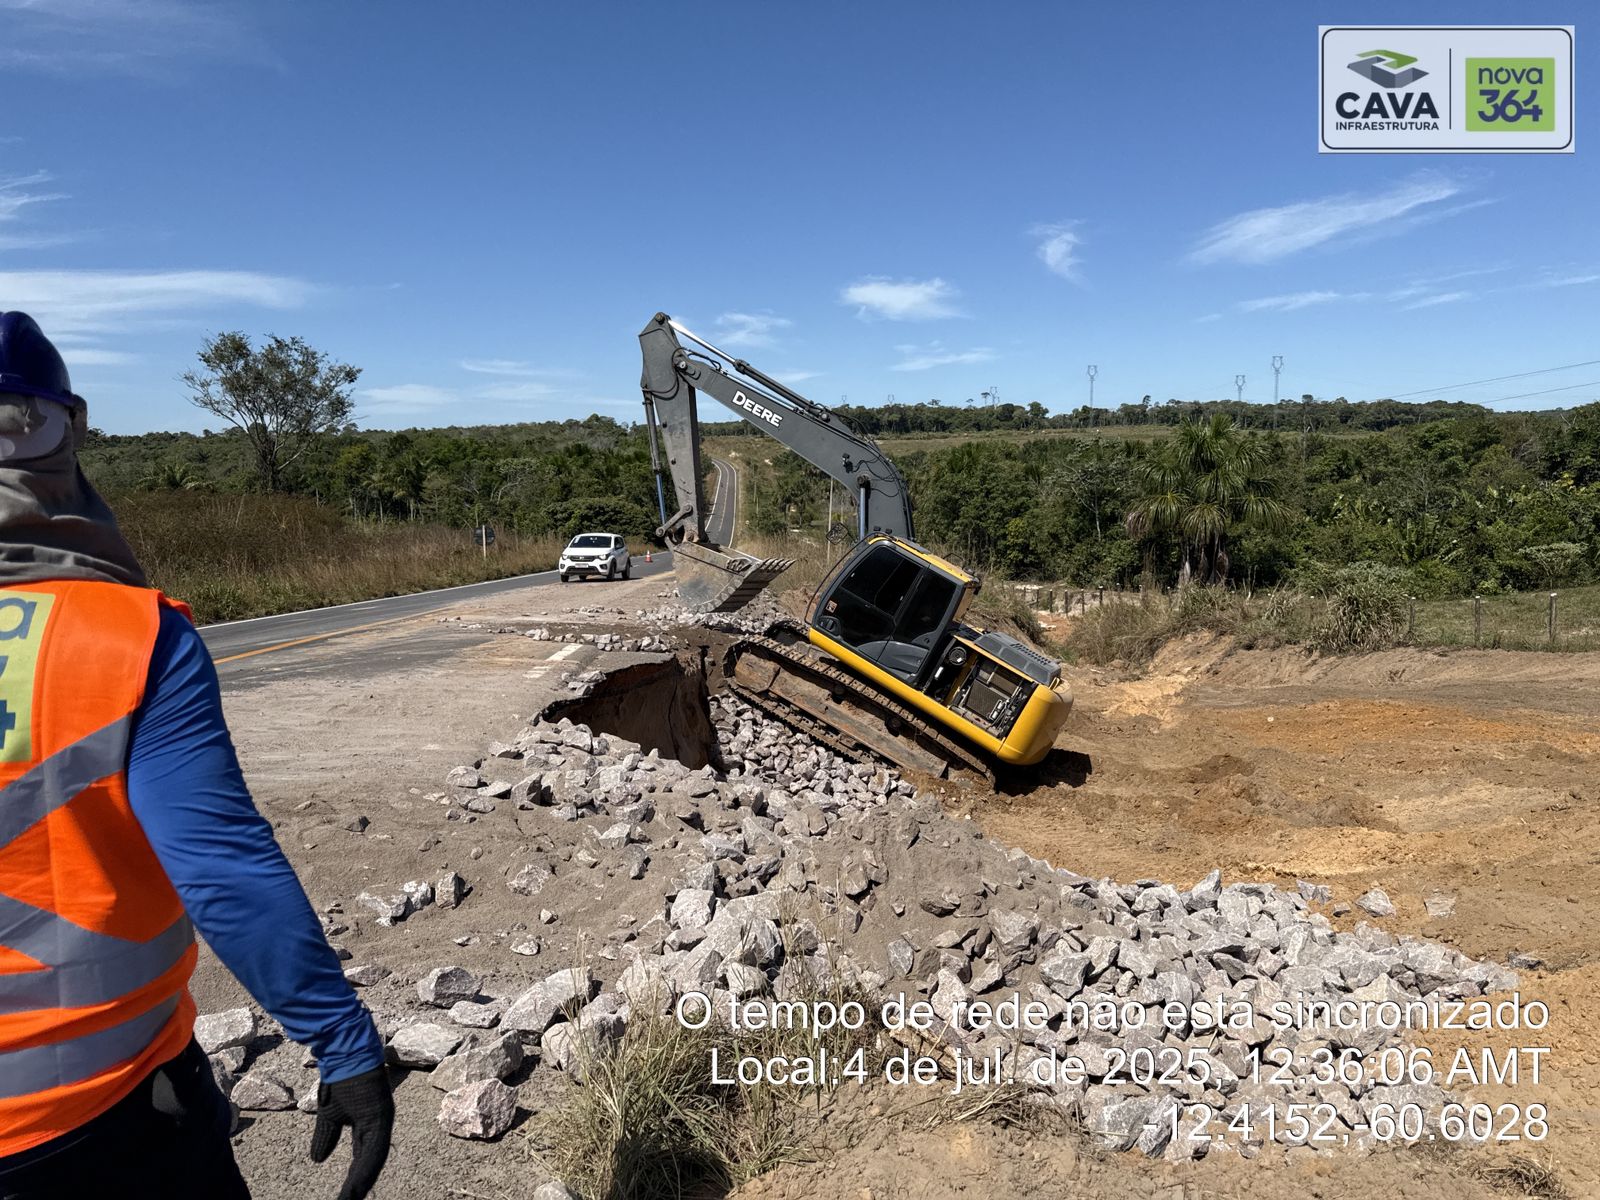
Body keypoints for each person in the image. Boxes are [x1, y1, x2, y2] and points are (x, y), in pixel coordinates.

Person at [0, 312, 394, 1200]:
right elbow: (223, 869)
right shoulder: (129, 639)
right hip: (96, 1118)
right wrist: (342, 1043)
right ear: (65, 434)